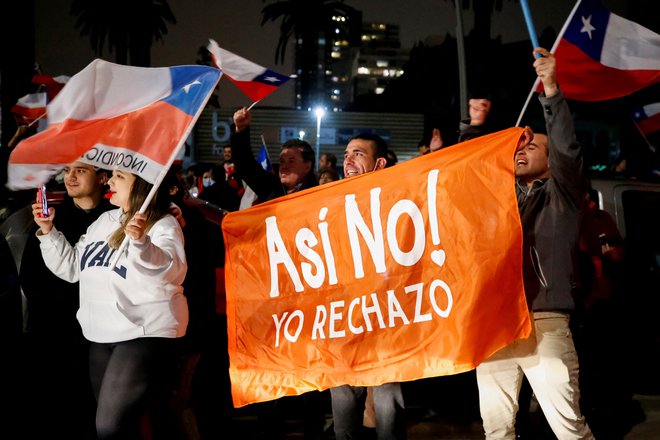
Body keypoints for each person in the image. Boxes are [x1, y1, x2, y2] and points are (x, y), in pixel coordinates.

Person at [473, 47, 595, 439]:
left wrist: (552, 91)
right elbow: (467, 176)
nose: (522, 150)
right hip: (495, 322)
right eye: (519, 147)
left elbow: (567, 151)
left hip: (544, 320)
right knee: (496, 429)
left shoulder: (563, 195)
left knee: (568, 429)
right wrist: (475, 127)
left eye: (533, 146)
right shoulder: (500, 196)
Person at [31, 168, 188, 439]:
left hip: (143, 331)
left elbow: (169, 269)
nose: (111, 180)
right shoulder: (103, 221)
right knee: (119, 427)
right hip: (101, 333)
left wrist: (141, 243)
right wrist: (48, 232)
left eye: (119, 176)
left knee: (109, 426)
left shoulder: (162, 222)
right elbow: (72, 268)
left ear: (140, 185)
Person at [232, 107, 326, 439]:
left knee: (310, 371)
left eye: (291, 159)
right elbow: (245, 167)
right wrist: (241, 131)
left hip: (310, 301)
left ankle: (312, 427)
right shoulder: (271, 189)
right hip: (273, 299)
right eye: (281, 158)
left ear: (308, 166)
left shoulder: (323, 196)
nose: (283, 164)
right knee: (272, 368)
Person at [19, 161, 113, 439]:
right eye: (68, 171)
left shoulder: (115, 221)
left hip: (98, 337)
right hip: (52, 336)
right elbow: (31, 279)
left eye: (81, 171)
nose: (70, 177)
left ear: (103, 178)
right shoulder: (49, 218)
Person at [330, 132, 407, 440]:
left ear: (379, 163)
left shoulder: (397, 201)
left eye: (358, 154)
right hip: (343, 321)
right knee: (344, 413)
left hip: (385, 321)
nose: (348, 159)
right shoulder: (327, 204)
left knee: (387, 409)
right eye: (346, 153)